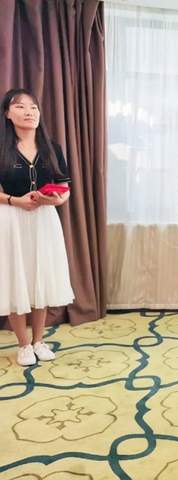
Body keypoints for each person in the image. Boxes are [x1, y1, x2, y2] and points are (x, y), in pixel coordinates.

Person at [0, 88, 74, 367]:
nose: (29, 112)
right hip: (11, 218)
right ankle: (23, 344)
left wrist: (54, 199)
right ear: (7, 114)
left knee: (40, 276)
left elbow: (64, 187)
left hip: (44, 219)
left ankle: (39, 340)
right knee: (16, 279)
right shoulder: (1, 148)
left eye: (33, 107)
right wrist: (14, 200)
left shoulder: (52, 148)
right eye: (20, 106)